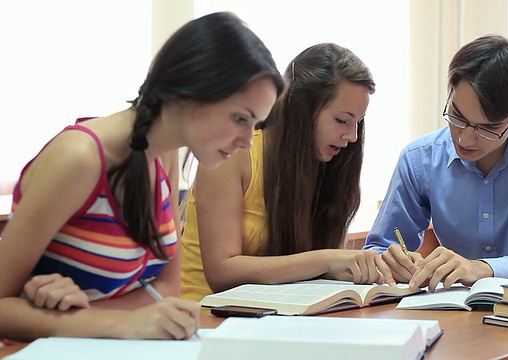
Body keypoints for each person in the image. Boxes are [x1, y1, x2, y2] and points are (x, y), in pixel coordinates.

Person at [0, 11, 284, 342]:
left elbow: (166, 289)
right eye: (239, 118)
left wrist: (84, 315)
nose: (247, 141)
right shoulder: (79, 158)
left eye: (256, 124)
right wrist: (118, 322)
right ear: (190, 90)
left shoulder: (165, 154)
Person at [365, 34, 508, 292]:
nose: (465, 137)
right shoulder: (419, 159)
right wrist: (393, 262)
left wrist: (480, 268)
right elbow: (379, 248)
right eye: (457, 116)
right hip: (453, 314)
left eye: (488, 127)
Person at [180, 43, 395, 301]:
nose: (352, 136)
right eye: (341, 120)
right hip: (206, 321)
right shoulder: (233, 154)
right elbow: (222, 273)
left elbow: (304, 269)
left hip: (278, 316)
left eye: (358, 122)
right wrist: (327, 260)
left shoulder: (326, 164)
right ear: (301, 108)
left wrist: (367, 269)